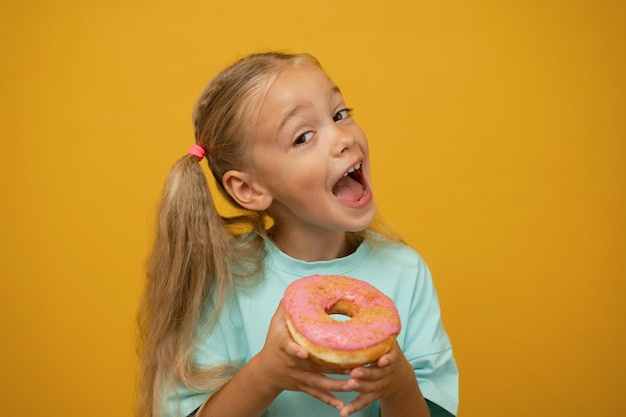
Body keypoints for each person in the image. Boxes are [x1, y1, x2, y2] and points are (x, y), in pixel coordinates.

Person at [137, 51, 458, 417]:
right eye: (304, 137)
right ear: (249, 189)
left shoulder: (405, 272)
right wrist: (266, 375)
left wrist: (397, 382)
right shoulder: (224, 281)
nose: (342, 138)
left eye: (340, 114)